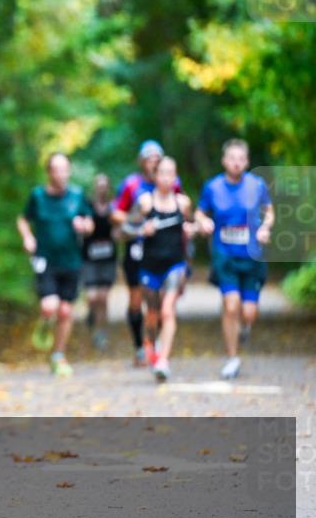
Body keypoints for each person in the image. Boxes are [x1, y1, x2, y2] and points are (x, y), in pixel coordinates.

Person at [195, 139, 274, 380]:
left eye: (241, 158)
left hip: (252, 257)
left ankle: (245, 326)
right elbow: (200, 211)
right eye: (232, 158)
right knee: (231, 306)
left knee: (248, 312)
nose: (236, 163)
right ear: (224, 161)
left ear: (247, 162)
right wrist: (203, 221)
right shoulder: (213, 187)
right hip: (225, 254)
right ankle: (232, 358)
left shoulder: (257, 185)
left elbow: (269, 212)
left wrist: (265, 228)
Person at [17, 153, 94, 377]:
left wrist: (84, 225)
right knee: (49, 306)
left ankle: (58, 354)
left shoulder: (77, 195)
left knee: (65, 310)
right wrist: (27, 237)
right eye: (56, 170)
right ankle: (44, 322)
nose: (61, 174)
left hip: (71, 260)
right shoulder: (38, 196)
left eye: (64, 169)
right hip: (45, 259)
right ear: (49, 173)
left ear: (69, 171)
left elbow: (90, 222)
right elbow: (23, 219)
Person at [111, 140, 182, 366]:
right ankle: (140, 347)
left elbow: (180, 215)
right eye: (148, 158)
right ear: (142, 162)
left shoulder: (174, 184)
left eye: (156, 158)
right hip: (138, 247)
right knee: (137, 300)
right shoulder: (132, 185)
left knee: (163, 305)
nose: (152, 162)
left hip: (167, 250)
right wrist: (142, 224)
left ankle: (158, 347)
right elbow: (117, 215)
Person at [126, 157, 195, 382]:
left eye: (171, 174)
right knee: (152, 314)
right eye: (162, 173)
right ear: (155, 176)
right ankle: (150, 345)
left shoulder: (183, 203)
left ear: (176, 177)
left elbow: (192, 226)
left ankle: (163, 359)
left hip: (175, 264)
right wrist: (141, 229)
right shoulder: (145, 201)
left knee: (168, 310)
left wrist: (193, 229)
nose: (166, 178)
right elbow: (125, 227)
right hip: (149, 266)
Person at [82, 173, 118, 351]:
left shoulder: (114, 208)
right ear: (95, 187)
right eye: (99, 185)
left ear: (108, 188)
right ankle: (91, 314)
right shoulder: (87, 207)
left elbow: (120, 228)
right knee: (91, 297)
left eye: (105, 185)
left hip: (108, 258)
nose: (102, 189)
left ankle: (101, 332)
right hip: (89, 258)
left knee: (103, 297)